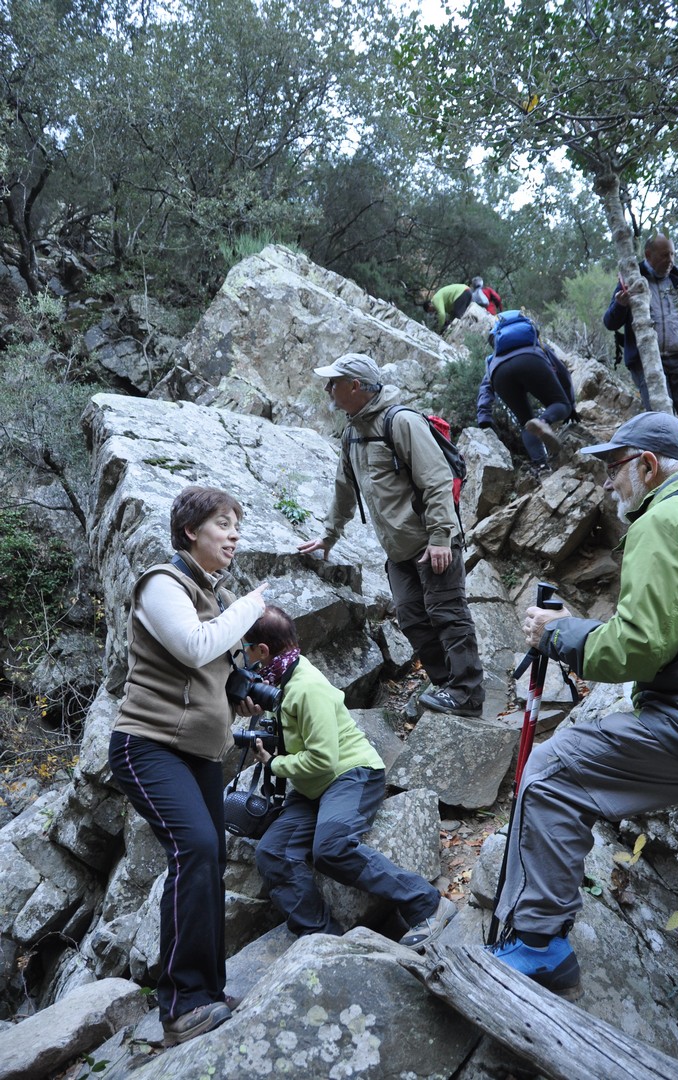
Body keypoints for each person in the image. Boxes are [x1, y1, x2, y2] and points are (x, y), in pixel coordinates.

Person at [487, 412, 678, 999]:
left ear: (649, 465)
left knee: (552, 774)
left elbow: (641, 647)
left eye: (615, 466)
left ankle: (538, 944)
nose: (608, 482)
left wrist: (560, 633)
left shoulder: (667, 520)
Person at [108, 486, 268, 1046]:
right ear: (190, 531)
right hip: (146, 745)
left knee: (210, 857)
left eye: (236, 525)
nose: (233, 534)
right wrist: (252, 607)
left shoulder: (213, 594)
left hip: (197, 752)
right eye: (223, 523)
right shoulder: (162, 584)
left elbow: (208, 673)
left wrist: (238, 694)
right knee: (195, 847)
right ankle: (180, 1006)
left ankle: (207, 992)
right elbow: (194, 647)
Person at [240, 604, 457, 947]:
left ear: (263, 650)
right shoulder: (282, 680)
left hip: (352, 775)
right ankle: (323, 940)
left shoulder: (306, 687)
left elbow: (323, 759)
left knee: (331, 848)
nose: (245, 656)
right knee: (273, 852)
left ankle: (427, 904)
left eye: (247, 648)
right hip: (313, 789)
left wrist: (274, 764)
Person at [298, 352, 484, 718]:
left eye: (334, 382)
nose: (327, 388)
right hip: (399, 550)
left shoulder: (401, 422)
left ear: (355, 386)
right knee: (412, 618)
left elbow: (437, 480)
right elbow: (344, 488)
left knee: (447, 614)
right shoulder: (352, 433)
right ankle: (447, 686)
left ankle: (468, 694)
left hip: (432, 541)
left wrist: (441, 537)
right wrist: (329, 535)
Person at [603, 234, 678, 458]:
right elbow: (610, 322)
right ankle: (670, 465)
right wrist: (620, 304)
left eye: (673, 254)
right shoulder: (633, 279)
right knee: (660, 417)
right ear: (648, 255)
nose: (670, 260)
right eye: (665, 255)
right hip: (647, 362)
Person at [476, 336, 577, 475]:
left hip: (500, 373)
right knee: (562, 404)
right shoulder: (536, 344)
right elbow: (563, 372)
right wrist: (570, 403)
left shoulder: (492, 360)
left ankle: (542, 467)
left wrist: (484, 417)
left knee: (526, 423)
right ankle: (543, 422)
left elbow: (485, 388)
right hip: (531, 360)